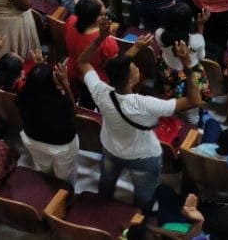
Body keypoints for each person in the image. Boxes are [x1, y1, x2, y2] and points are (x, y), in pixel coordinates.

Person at [78, 12, 202, 211]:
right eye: (134, 68)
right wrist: (188, 65)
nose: (136, 67)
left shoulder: (101, 90)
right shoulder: (145, 104)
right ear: (131, 80)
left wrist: (101, 39)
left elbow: (83, 62)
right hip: (143, 156)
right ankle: (140, 216)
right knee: (144, 195)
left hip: (110, 148)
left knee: (106, 182)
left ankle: (102, 208)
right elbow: (194, 100)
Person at [17, 62, 80, 180]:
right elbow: (73, 110)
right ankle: (64, 192)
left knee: (42, 168)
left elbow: (37, 82)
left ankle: (46, 186)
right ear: (51, 84)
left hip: (32, 139)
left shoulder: (22, 95)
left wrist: (40, 67)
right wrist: (66, 84)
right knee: (64, 175)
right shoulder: (61, 102)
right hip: (61, 145)